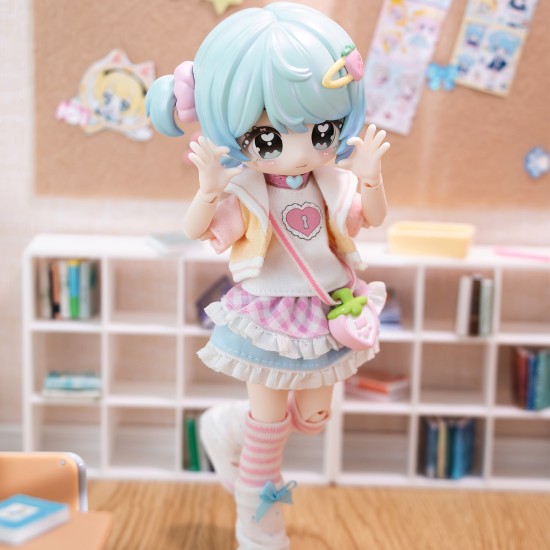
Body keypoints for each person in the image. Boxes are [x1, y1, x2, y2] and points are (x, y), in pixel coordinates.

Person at [146, 4, 390, 548]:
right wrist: (209, 190)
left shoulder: (333, 183)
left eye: (322, 131)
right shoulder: (245, 191)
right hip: (269, 312)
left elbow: (370, 218)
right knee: (268, 427)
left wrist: (371, 178)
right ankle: (259, 527)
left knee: (315, 416)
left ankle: (224, 426)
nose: (300, 152)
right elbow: (195, 229)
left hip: (326, 308)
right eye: (270, 140)